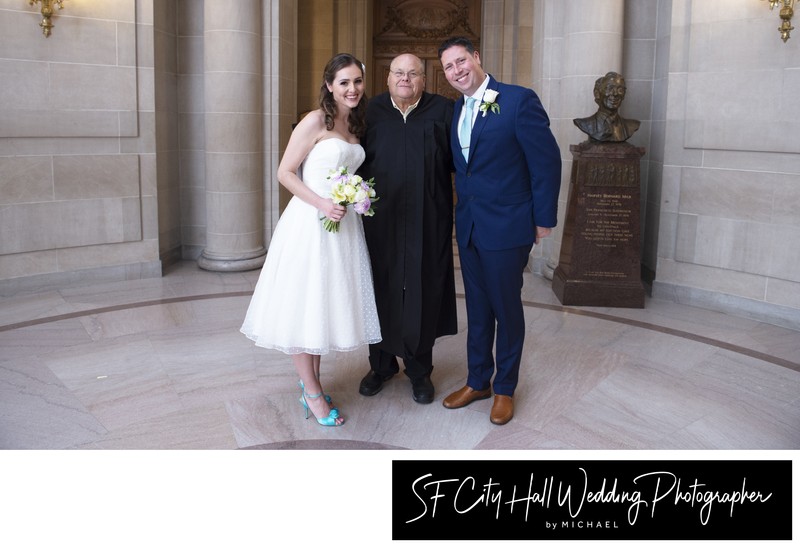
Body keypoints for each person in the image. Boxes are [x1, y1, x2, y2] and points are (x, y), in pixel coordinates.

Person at [240, 53, 381, 427]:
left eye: (357, 82)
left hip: (342, 227)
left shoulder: (355, 123)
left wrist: (354, 196)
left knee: (320, 308)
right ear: (330, 86)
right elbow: (285, 172)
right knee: (305, 307)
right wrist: (322, 202)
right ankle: (313, 394)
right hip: (310, 223)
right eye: (344, 82)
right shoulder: (315, 120)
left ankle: (311, 385)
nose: (352, 89)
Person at [437, 36, 561, 425]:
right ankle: (478, 381)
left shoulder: (518, 99)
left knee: (506, 309)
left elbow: (547, 161)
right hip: (470, 225)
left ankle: (504, 388)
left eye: (461, 61)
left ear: (476, 57)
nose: (456, 71)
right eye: (448, 68)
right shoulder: (456, 109)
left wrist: (543, 219)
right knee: (477, 307)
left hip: (509, 226)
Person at [357, 53, 457, 404]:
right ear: (387, 78)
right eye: (398, 73)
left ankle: (419, 371)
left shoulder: (443, 112)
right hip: (378, 220)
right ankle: (380, 365)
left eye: (413, 74)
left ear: (424, 80)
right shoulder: (369, 113)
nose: (405, 79)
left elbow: (464, 160)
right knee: (379, 287)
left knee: (422, 290)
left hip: (428, 218)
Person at [574, 71, 640, 142]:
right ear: (597, 93)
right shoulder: (585, 124)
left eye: (620, 90)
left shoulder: (631, 125)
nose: (615, 94)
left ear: (624, 95)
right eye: (609, 88)